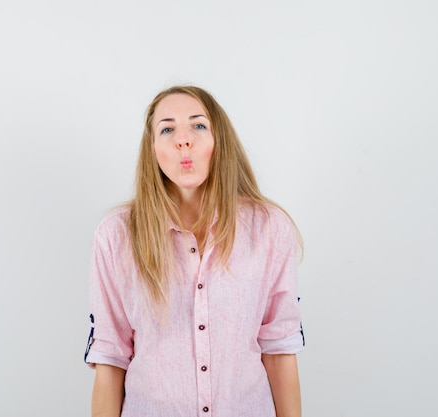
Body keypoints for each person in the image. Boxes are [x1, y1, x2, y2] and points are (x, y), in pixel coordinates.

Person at [84, 85, 305, 417]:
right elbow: (110, 358)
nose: (183, 140)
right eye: (167, 128)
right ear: (153, 149)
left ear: (219, 142)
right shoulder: (116, 236)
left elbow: (279, 349)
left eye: (198, 125)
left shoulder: (269, 230)